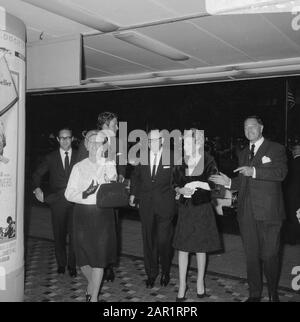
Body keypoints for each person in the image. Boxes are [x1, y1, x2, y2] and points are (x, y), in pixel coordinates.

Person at [210, 116, 287, 302]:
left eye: (252, 126)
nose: (249, 130)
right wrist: (228, 181)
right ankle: (254, 294)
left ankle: (273, 294)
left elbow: (281, 173)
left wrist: (253, 171)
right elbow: (242, 180)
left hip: (269, 213)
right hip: (246, 213)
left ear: (261, 127)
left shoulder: (276, 148)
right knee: (251, 256)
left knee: (270, 256)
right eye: (245, 128)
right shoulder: (243, 152)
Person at [65, 130, 117, 302]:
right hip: (82, 217)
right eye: (92, 142)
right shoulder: (78, 167)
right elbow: (68, 194)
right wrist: (86, 194)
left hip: (102, 217)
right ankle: (92, 285)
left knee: (99, 259)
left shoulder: (109, 164)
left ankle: (93, 298)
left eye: (99, 142)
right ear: (86, 145)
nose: (95, 145)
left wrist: (106, 170)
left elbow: (113, 187)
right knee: (83, 260)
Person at [76, 112, 126, 283]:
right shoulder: (90, 140)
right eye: (115, 124)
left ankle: (107, 266)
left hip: (112, 197)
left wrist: (121, 177)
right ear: (105, 125)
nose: (118, 128)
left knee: (111, 233)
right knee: (92, 236)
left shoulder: (118, 143)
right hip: (92, 200)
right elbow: (80, 166)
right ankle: (93, 268)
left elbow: (122, 165)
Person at [172, 129, 221, 302]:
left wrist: (199, 183)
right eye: (184, 142)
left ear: (198, 142)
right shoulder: (180, 160)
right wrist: (180, 189)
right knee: (183, 248)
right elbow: (174, 184)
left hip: (202, 209)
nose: (185, 145)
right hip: (186, 209)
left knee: (201, 248)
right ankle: (182, 285)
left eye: (188, 142)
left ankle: (200, 283)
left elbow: (215, 185)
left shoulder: (208, 159)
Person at [129, 129, 176, 288]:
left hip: (166, 205)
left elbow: (178, 178)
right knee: (148, 240)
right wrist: (134, 193)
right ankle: (151, 273)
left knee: (164, 241)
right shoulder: (142, 156)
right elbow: (135, 176)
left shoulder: (172, 156)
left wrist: (179, 192)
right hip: (147, 205)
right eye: (149, 141)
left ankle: (165, 271)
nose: (151, 143)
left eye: (155, 140)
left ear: (162, 141)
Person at [32, 127, 77, 277]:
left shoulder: (79, 156)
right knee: (59, 234)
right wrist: (37, 188)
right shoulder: (50, 157)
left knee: (74, 235)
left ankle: (72, 265)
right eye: (62, 138)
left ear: (72, 139)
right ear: (58, 139)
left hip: (75, 202)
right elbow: (37, 174)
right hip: (57, 201)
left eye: (68, 137)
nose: (65, 140)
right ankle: (61, 264)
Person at [283, 144, 300, 244]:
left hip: (292, 194)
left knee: (292, 216)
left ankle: (292, 239)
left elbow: (285, 180)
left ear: (294, 151)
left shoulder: (290, 163)